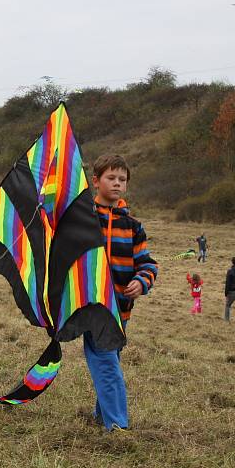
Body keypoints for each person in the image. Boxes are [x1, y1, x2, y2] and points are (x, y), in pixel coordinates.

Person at [87, 154, 158, 431]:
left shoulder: (133, 226)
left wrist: (142, 281)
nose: (117, 183)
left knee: (111, 359)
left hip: (122, 307)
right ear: (96, 181)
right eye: (111, 178)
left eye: (122, 180)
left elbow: (148, 263)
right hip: (91, 305)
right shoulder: (84, 217)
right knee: (105, 359)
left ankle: (102, 416)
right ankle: (116, 425)